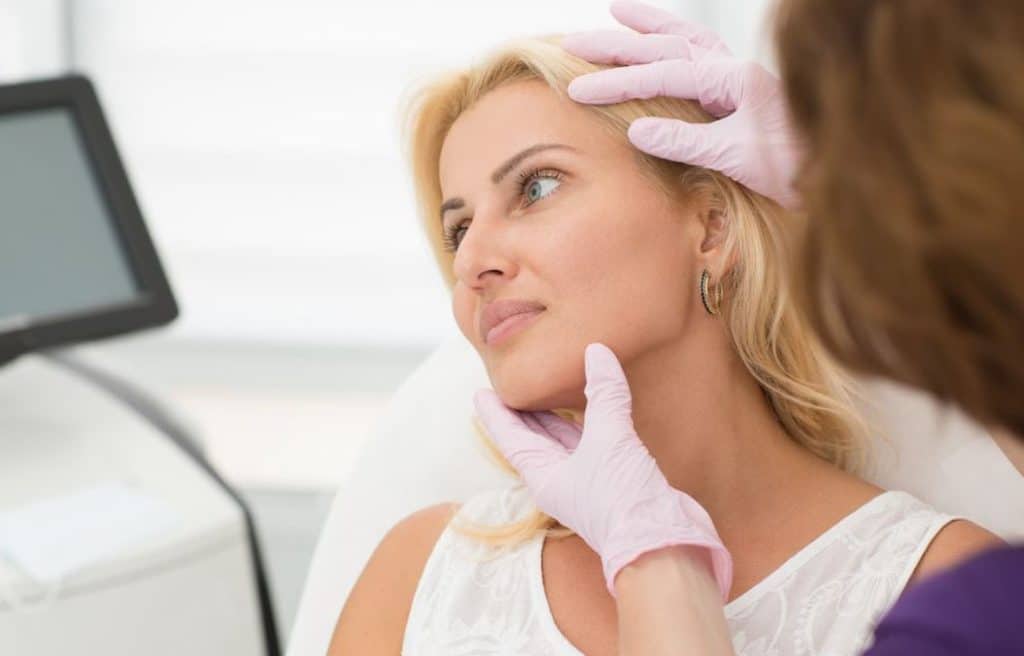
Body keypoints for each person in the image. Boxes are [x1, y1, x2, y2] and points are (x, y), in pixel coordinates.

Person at [324, 27, 1000, 655]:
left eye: (536, 187)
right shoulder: (422, 574)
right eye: (458, 231)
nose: (472, 264)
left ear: (711, 228)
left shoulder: (942, 590)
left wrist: (858, 205)